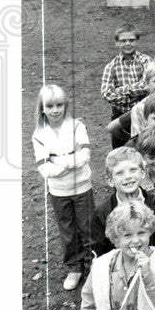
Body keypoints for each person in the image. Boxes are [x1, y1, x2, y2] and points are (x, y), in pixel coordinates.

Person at [32, 84, 94, 290]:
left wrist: (61, 162)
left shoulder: (77, 126)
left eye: (59, 105)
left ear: (65, 105)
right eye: (50, 106)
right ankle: (74, 267)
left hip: (82, 187)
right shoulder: (39, 135)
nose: (55, 110)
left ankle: (92, 265)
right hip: (58, 191)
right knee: (67, 230)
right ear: (42, 108)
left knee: (87, 227)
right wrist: (68, 163)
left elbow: (85, 155)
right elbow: (44, 168)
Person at [92, 147, 155, 255]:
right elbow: (99, 250)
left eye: (133, 170)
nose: (128, 177)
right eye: (120, 173)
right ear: (110, 180)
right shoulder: (102, 213)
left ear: (142, 173)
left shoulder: (153, 204)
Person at [101, 26, 153, 147]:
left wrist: (122, 90)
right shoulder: (111, 66)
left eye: (131, 40)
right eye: (123, 41)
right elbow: (107, 94)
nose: (128, 43)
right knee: (121, 151)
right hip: (120, 114)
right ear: (116, 43)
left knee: (145, 149)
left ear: (137, 41)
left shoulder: (146, 61)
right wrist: (136, 94)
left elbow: (148, 85)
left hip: (143, 114)